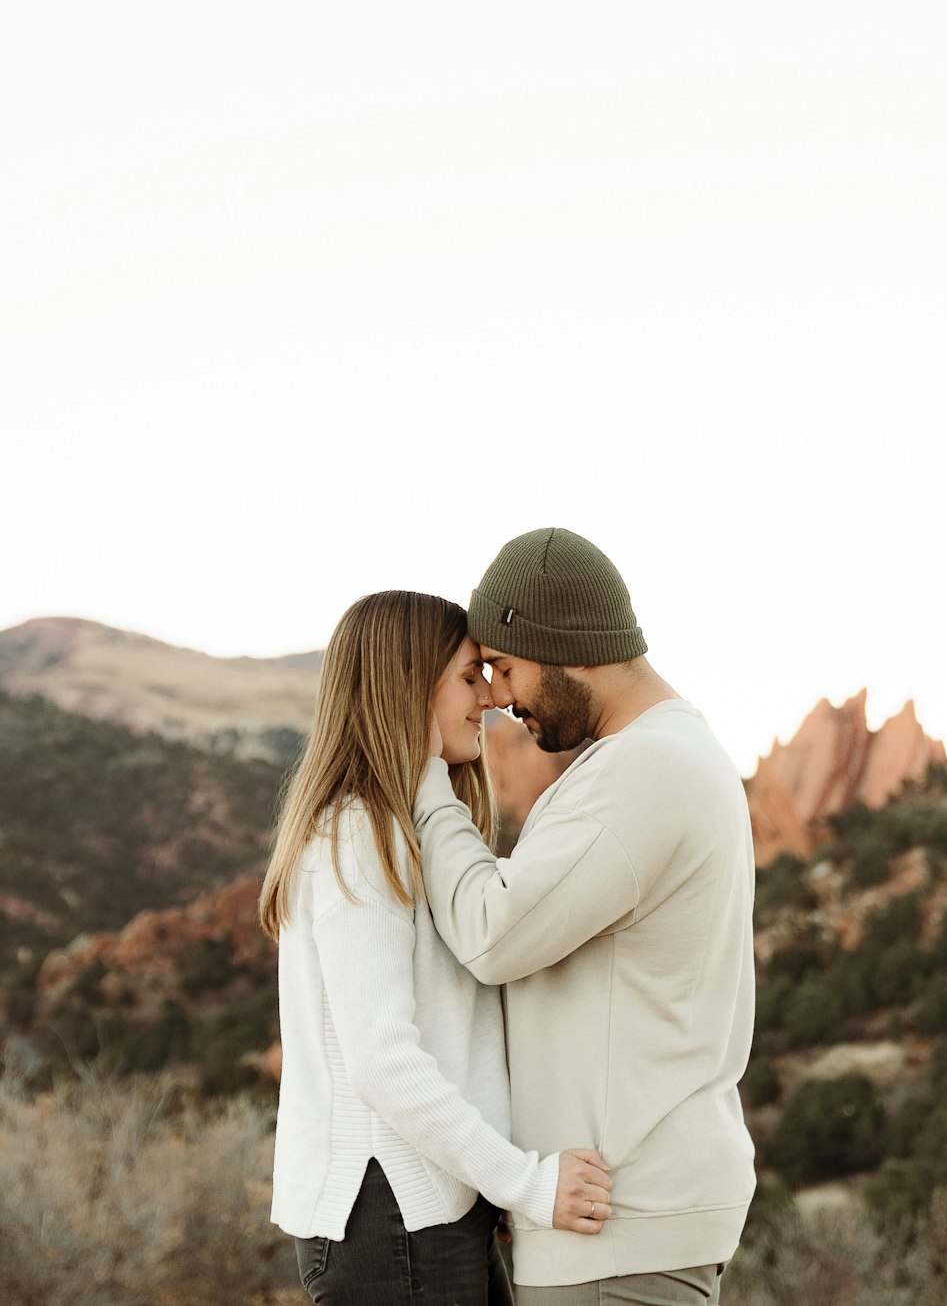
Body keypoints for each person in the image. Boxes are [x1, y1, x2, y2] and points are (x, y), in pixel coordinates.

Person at [411, 531, 756, 1306]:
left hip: (619, 1223)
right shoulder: (655, 755)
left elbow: (492, 932)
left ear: (565, 646)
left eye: (504, 665)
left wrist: (426, 775)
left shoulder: (645, 770)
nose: (497, 693)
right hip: (620, 1216)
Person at [259, 590, 612, 1306]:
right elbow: (383, 1062)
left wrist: (493, 1182)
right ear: (407, 684)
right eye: (467, 677)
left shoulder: (394, 825)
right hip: (394, 1218)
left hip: (425, 1210)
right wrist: (525, 1182)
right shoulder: (360, 832)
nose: (488, 697)